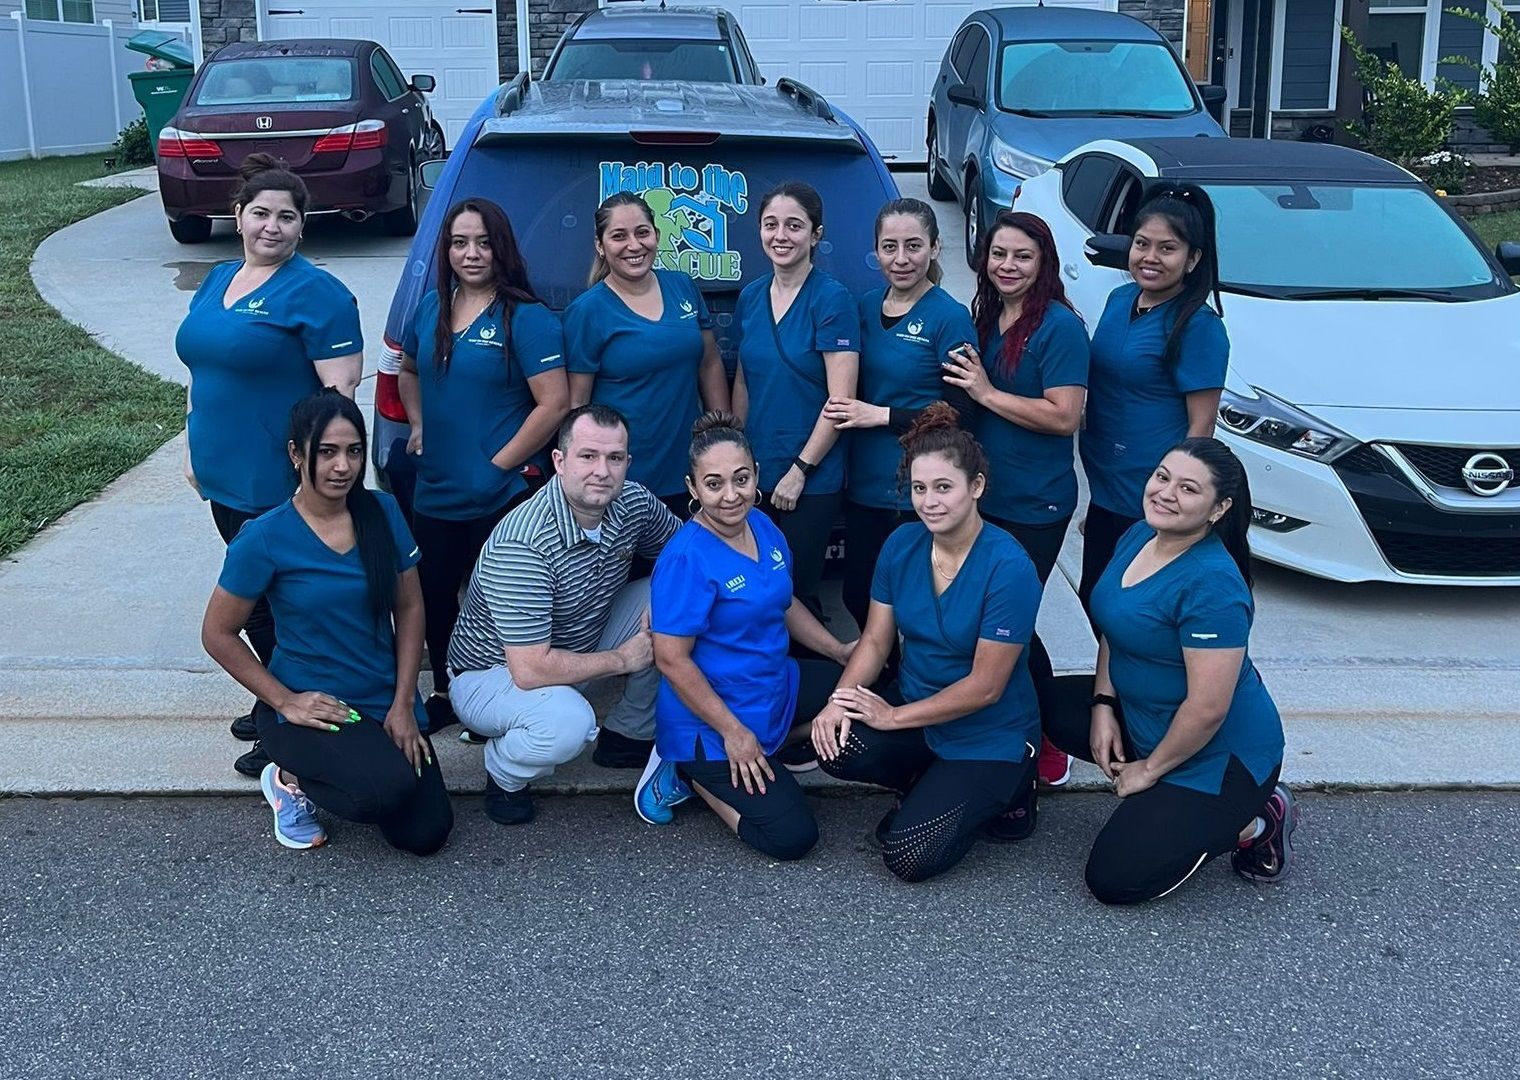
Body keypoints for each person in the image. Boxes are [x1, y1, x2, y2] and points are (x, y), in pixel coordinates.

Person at [176, 152, 363, 780]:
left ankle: (291, 721)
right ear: (238, 216)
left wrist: (321, 481)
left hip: (278, 485)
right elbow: (203, 372)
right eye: (260, 213)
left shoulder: (318, 294)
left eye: (286, 217)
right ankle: (273, 700)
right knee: (256, 600)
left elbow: (339, 399)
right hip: (222, 476)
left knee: (277, 608)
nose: (271, 227)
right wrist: (191, 445)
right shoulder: (217, 279)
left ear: (303, 226)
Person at [1044, 439, 1295, 904]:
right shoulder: (1139, 534)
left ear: (1219, 509)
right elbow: (1116, 626)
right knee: (1045, 701)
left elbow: (1208, 708)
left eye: (1188, 489)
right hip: (1146, 716)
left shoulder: (1213, 586)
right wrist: (1103, 704)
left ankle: (1258, 821)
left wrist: (1147, 771)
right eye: (1162, 476)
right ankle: (1167, 807)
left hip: (1217, 757)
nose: (1165, 493)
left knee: (1115, 879)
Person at [201, 390, 451, 855]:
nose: (342, 466)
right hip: (311, 705)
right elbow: (217, 633)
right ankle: (287, 778)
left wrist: (403, 704)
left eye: (353, 451)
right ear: (296, 454)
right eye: (327, 452)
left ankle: (368, 765)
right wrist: (284, 700)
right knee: (382, 792)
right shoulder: (264, 537)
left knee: (425, 833)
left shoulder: (383, 512)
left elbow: (410, 608)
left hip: (381, 697)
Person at [813, 404, 1044, 883]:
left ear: (976, 487)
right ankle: (927, 781)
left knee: (908, 857)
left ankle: (1017, 783)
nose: (929, 502)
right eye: (920, 488)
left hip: (988, 732)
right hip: (919, 703)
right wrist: (839, 701)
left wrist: (891, 717)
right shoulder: (901, 544)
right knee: (835, 745)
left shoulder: (1009, 567)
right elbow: (875, 641)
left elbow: (986, 687)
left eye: (943, 487)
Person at [635, 413, 856, 859]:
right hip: (713, 718)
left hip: (771, 684)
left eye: (741, 479)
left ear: (756, 475)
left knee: (860, 695)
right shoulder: (686, 558)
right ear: (693, 488)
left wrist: (838, 650)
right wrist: (733, 733)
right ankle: (688, 774)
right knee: (793, 837)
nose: (731, 495)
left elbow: (782, 602)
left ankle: (774, 744)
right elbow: (671, 659)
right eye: (714, 484)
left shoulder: (762, 525)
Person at [446, 405, 681, 825]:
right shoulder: (523, 543)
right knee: (567, 722)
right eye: (588, 456)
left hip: (578, 640)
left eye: (614, 458)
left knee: (672, 598)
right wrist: (623, 659)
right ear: (559, 461)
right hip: (493, 673)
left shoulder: (633, 502)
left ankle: (628, 734)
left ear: (628, 462)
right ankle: (505, 772)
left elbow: (687, 556)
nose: (602, 471)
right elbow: (530, 670)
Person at [397, 198, 570, 734]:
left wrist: (498, 464)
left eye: (483, 242)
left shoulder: (527, 318)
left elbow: (554, 404)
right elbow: (407, 370)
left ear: (502, 249)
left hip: (500, 494)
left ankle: (496, 694)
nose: (471, 254)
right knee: (434, 594)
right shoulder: (432, 308)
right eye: (459, 243)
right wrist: (418, 423)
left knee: (498, 601)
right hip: (436, 488)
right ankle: (447, 691)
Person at [941, 210, 1089, 788]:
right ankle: (1000, 723)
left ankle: (1046, 737)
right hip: (984, 498)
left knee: (1013, 624)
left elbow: (1064, 416)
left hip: (1034, 504)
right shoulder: (985, 316)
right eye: (998, 254)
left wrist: (986, 392)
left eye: (1022, 256)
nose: (1008, 265)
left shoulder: (1059, 327)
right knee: (987, 620)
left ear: (1044, 262)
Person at [823, 199, 977, 638]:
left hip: (915, 492)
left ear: (935, 247)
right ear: (876, 251)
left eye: (914, 245)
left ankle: (909, 678)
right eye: (890, 247)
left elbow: (961, 414)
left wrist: (880, 415)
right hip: (863, 484)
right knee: (859, 595)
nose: (902, 259)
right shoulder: (864, 306)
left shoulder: (949, 317)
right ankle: (886, 672)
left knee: (915, 606)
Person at [1077, 183, 1228, 618]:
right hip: (1105, 486)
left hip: (1151, 495)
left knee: (1129, 612)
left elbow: (1202, 428)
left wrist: (1175, 501)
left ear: (1192, 259)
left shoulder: (1198, 326)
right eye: (1142, 244)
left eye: (1168, 248)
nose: (1150, 257)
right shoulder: (1119, 298)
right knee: (1095, 599)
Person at [731, 182, 859, 615]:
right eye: (771, 225)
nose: (780, 235)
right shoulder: (751, 297)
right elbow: (744, 381)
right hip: (757, 469)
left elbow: (841, 401)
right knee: (753, 591)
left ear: (815, 234)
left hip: (810, 476)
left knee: (794, 595)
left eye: (794, 226)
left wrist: (800, 471)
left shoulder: (832, 299)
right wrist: (740, 459)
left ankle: (807, 660)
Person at [563, 192, 730, 515]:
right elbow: (577, 405)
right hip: (621, 482)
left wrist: (724, 437)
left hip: (690, 475)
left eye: (642, 232)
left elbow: (709, 363)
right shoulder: (587, 311)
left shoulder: (683, 286)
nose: (634, 245)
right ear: (600, 245)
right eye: (619, 236)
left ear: (657, 235)